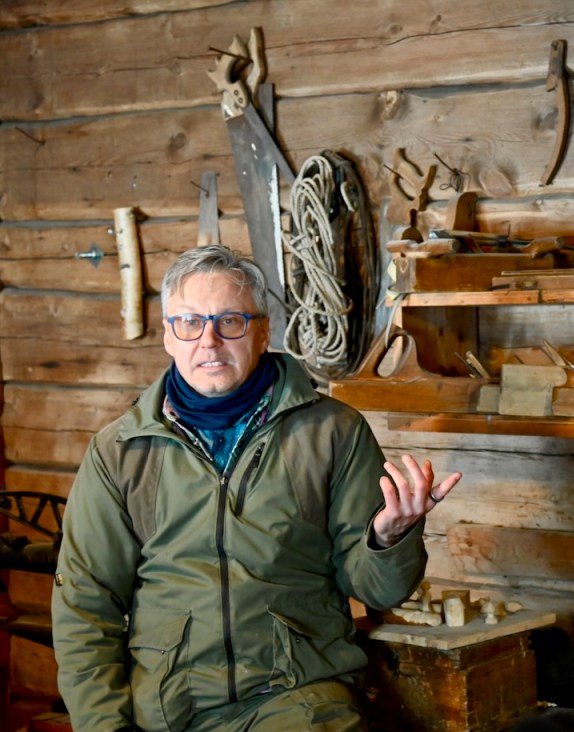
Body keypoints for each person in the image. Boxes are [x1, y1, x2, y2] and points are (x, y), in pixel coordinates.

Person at [51, 245, 461, 732]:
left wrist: (388, 538)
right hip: (166, 709)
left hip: (296, 697)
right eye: (189, 323)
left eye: (230, 322)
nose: (209, 341)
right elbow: (85, 607)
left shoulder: (332, 433)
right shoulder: (120, 452)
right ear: (168, 336)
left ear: (263, 331)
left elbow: (377, 588)